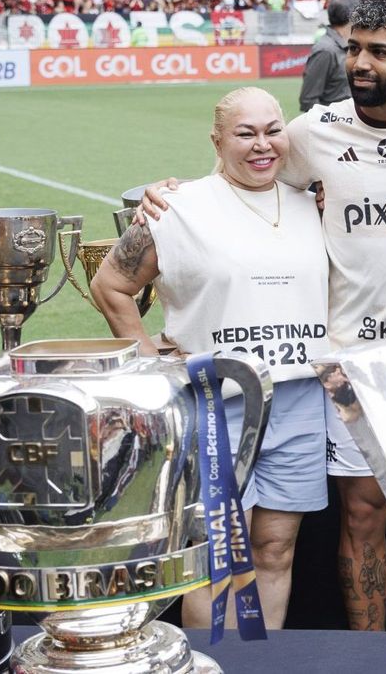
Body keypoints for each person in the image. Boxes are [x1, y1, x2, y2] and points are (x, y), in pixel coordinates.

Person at [137, 0, 386, 631]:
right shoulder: (313, 132)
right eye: (353, 48)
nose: (358, 62)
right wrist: (168, 197)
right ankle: (370, 651)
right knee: (362, 518)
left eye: (377, 52)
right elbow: (242, 174)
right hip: (348, 365)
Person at [90, 87, 331, 630]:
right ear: (217, 140)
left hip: (297, 399)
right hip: (216, 403)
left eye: (273, 129)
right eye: (246, 133)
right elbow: (111, 285)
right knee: (217, 555)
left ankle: (260, 666)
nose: (263, 144)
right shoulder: (178, 207)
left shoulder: (313, 201)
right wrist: (155, 368)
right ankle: (211, 664)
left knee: (275, 549)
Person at [299, 0, 359, 112]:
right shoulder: (326, 50)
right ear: (354, 16)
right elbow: (308, 100)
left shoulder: (351, 46)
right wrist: (331, 125)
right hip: (336, 128)